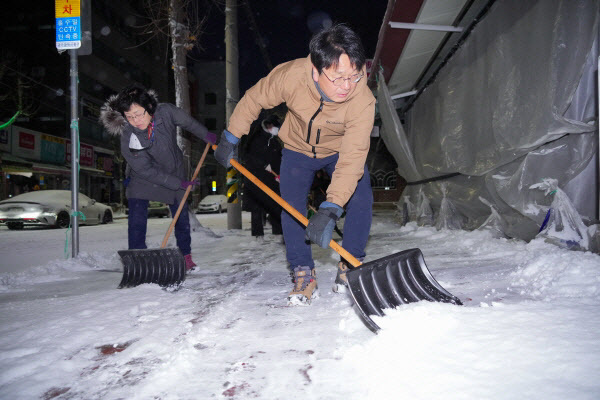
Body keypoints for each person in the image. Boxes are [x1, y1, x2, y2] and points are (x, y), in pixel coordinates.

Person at [215, 24, 375, 304]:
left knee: (361, 195)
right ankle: (304, 273)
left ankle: (350, 265)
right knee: (291, 208)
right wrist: (231, 135)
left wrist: (331, 206)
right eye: (338, 78)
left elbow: (353, 158)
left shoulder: (362, 100)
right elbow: (254, 99)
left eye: (354, 76)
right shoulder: (291, 76)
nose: (347, 86)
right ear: (316, 69)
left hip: (339, 151)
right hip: (297, 149)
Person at [100, 84, 216, 271]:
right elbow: (145, 169)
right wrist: (178, 183)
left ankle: (185, 256)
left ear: (150, 108)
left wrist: (206, 135)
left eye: (138, 114)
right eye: (129, 116)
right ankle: (138, 260)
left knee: (182, 217)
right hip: (143, 177)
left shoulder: (166, 112)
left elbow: (188, 123)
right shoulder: (128, 135)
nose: (135, 120)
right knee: (137, 217)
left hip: (174, 169)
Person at [242, 114, 284, 242]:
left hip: (272, 178)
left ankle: (278, 232)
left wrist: (279, 174)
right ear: (269, 126)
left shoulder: (275, 142)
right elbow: (248, 157)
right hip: (256, 179)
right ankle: (257, 235)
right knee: (257, 206)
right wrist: (263, 165)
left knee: (276, 204)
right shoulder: (256, 138)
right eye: (276, 127)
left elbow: (279, 159)